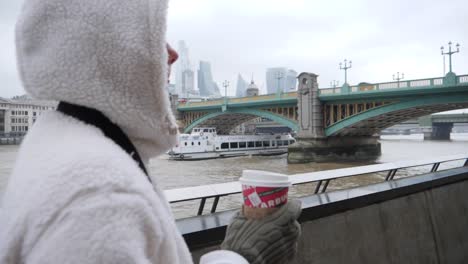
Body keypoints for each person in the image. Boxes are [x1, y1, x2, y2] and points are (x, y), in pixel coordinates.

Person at [0, 0, 301, 263]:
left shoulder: (58, 146)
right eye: (153, 36)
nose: (172, 55)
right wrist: (241, 256)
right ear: (109, 47)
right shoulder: (101, 194)